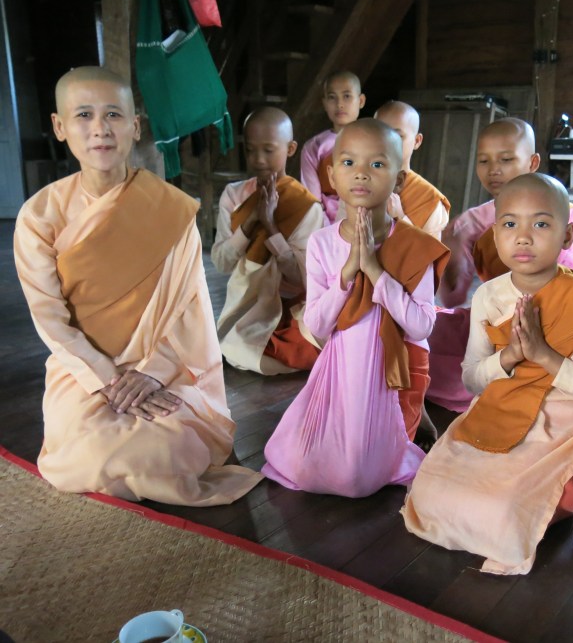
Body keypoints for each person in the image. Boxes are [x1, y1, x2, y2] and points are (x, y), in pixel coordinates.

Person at [13, 66, 262, 505]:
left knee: (169, 446)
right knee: (87, 451)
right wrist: (107, 378)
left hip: (162, 365)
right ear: (59, 126)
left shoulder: (169, 210)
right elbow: (49, 318)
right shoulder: (39, 216)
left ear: (136, 125)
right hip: (83, 369)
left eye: (113, 114)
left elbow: (189, 309)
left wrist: (152, 372)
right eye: (84, 115)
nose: (100, 129)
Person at [402, 174, 573, 575]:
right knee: (427, 491)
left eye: (541, 224)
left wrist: (545, 357)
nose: (524, 237)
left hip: (565, 422)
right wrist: (510, 357)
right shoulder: (489, 295)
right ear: (496, 234)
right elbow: (471, 380)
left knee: (503, 511)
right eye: (511, 224)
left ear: (567, 236)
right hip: (501, 410)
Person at [262, 119, 449, 497]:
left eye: (377, 164)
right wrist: (347, 274)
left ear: (398, 180)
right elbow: (316, 325)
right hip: (340, 368)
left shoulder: (414, 245)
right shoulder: (322, 243)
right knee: (303, 463)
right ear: (332, 175)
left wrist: (376, 272)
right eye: (349, 163)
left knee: (358, 477)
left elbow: (421, 327)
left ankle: (411, 425)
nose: (361, 173)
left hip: (397, 370)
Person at [426, 118, 573, 413]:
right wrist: (455, 251)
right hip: (496, 318)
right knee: (421, 337)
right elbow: (452, 295)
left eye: (506, 159)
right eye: (484, 161)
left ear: (532, 162)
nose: (494, 170)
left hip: (550, 325)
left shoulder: (559, 214)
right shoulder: (474, 221)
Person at [212, 107, 324, 374]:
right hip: (248, 304)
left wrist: (271, 227)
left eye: (268, 150)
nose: (258, 159)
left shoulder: (307, 206)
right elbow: (221, 262)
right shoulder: (234, 195)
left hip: (293, 305)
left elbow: (302, 278)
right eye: (250, 150)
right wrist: (251, 221)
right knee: (238, 347)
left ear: (290, 148)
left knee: (317, 339)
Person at [373, 100, 450, 240]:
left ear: (417, 141)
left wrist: (401, 220)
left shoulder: (429, 199)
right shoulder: (359, 181)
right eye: (380, 134)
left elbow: (429, 252)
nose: (387, 143)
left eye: (398, 136)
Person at [299, 70, 366, 224]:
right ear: (324, 103)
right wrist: (327, 230)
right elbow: (312, 201)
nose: (339, 104)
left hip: (363, 218)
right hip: (323, 221)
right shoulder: (313, 147)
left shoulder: (373, 142)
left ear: (361, 101)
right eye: (332, 97)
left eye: (347, 96)